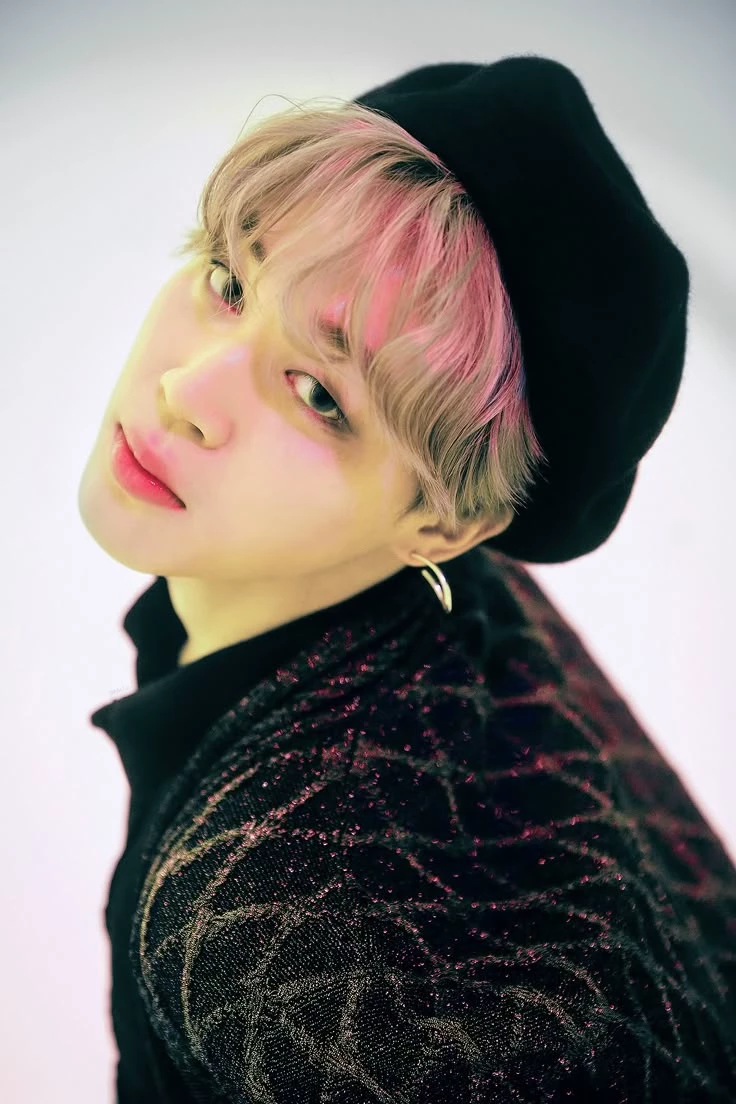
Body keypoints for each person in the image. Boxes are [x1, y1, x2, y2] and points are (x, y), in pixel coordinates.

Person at [79, 56, 736, 1103]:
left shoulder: (276, 959)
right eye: (230, 281)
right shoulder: (456, 597)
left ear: (442, 522)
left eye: (317, 394)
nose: (186, 390)